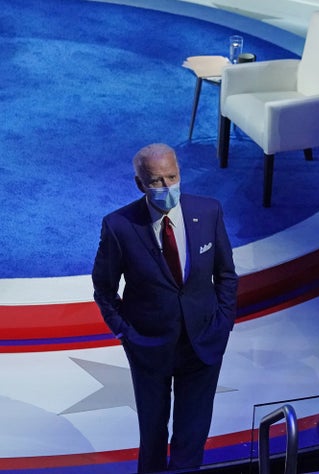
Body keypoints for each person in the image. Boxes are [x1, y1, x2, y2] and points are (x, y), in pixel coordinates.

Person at [91, 143, 238, 472]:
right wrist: (125, 332)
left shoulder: (209, 211)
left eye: (172, 177)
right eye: (156, 181)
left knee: (192, 436)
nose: (166, 187)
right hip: (149, 346)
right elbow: (104, 287)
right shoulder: (119, 226)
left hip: (203, 343)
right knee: (153, 436)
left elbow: (226, 274)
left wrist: (224, 322)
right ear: (140, 184)